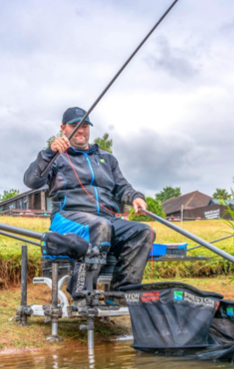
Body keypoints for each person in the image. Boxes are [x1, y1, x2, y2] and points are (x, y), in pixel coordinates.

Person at [24, 107, 153, 291]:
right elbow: (31, 181)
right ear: (64, 128)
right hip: (68, 217)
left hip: (106, 220)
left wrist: (135, 197)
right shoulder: (56, 157)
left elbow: (122, 187)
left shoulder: (107, 159)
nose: (81, 130)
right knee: (100, 226)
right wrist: (48, 153)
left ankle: (122, 292)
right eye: (75, 125)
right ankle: (82, 293)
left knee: (144, 231)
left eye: (85, 125)